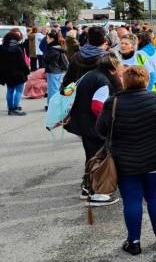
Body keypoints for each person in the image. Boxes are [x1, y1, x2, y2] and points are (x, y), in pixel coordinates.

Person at [96, 66, 156, 255]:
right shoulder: (155, 98)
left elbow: (100, 129)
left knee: (131, 200)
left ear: (124, 81)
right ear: (146, 81)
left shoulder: (113, 102)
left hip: (125, 160)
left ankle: (134, 242)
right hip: (155, 156)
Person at [66, 54, 123, 206]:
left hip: (82, 123)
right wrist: (109, 121)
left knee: (90, 156)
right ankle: (99, 193)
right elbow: (97, 106)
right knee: (100, 159)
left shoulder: (90, 75)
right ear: (113, 69)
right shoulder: (103, 81)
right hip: (94, 126)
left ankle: (87, 188)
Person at [61, 26, 108, 90]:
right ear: (105, 41)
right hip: (98, 97)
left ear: (88, 39)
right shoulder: (107, 58)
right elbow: (115, 85)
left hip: (78, 95)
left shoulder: (76, 56)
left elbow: (67, 81)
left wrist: (65, 94)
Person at [0, 29, 30, 115]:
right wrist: (27, 71)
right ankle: (16, 108)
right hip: (18, 73)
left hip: (7, 73)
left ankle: (10, 108)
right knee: (18, 91)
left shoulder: (2, 48)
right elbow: (22, 62)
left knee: (10, 91)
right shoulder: (17, 48)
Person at [43, 30, 68, 108]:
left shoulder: (52, 49)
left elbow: (47, 59)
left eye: (47, 38)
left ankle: (53, 106)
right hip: (58, 70)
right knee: (54, 88)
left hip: (53, 71)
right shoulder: (58, 47)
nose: (46, 40)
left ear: (52, 39)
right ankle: (51, 104)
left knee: (53, 90)